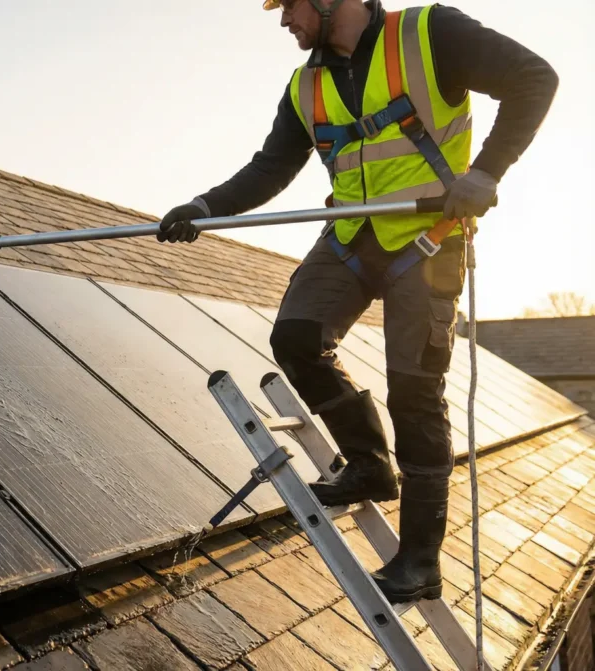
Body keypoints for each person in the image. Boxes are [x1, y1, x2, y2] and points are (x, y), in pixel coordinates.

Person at [157, 0, 557, 603]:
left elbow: (535, 78)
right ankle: (369, 465)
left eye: (290, 4)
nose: (285, 21)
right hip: (349, 237)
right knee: (296, 338)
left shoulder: (430, 33)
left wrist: (487, 172)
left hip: (427, 240)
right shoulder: (306, 85)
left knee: (415, 394)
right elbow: (271, 167)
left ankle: (419, 561)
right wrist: (204, 207)